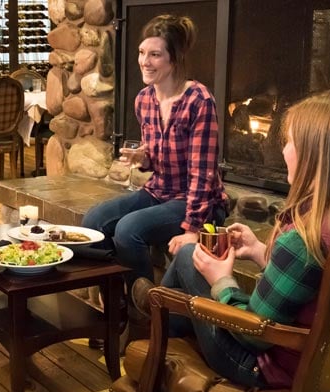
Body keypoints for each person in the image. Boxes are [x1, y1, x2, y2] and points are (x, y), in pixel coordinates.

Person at [141, 90, 330, 389]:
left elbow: (252, 333)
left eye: (289, 142)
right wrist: (261, 252)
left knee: (186, 255)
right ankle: (169, 317)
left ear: (315, 156)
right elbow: (317, 285)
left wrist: (221, 281)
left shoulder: (304, 237)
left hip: (267, 364)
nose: (283, 152)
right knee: (189, 263)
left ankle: (157, 314)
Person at [81, 14, 228, 294]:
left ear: (175, 59)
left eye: (155, 55)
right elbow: (158, 158)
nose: (144, 61)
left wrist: (193, 229)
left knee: (127, 230)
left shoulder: (198, 100)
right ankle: (117, 301)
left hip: (199, 200)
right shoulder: (144, 99)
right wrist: (143, 159)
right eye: (141, 52)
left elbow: (203, 172)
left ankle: (146, 310)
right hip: (159, 191)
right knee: (94, 221)